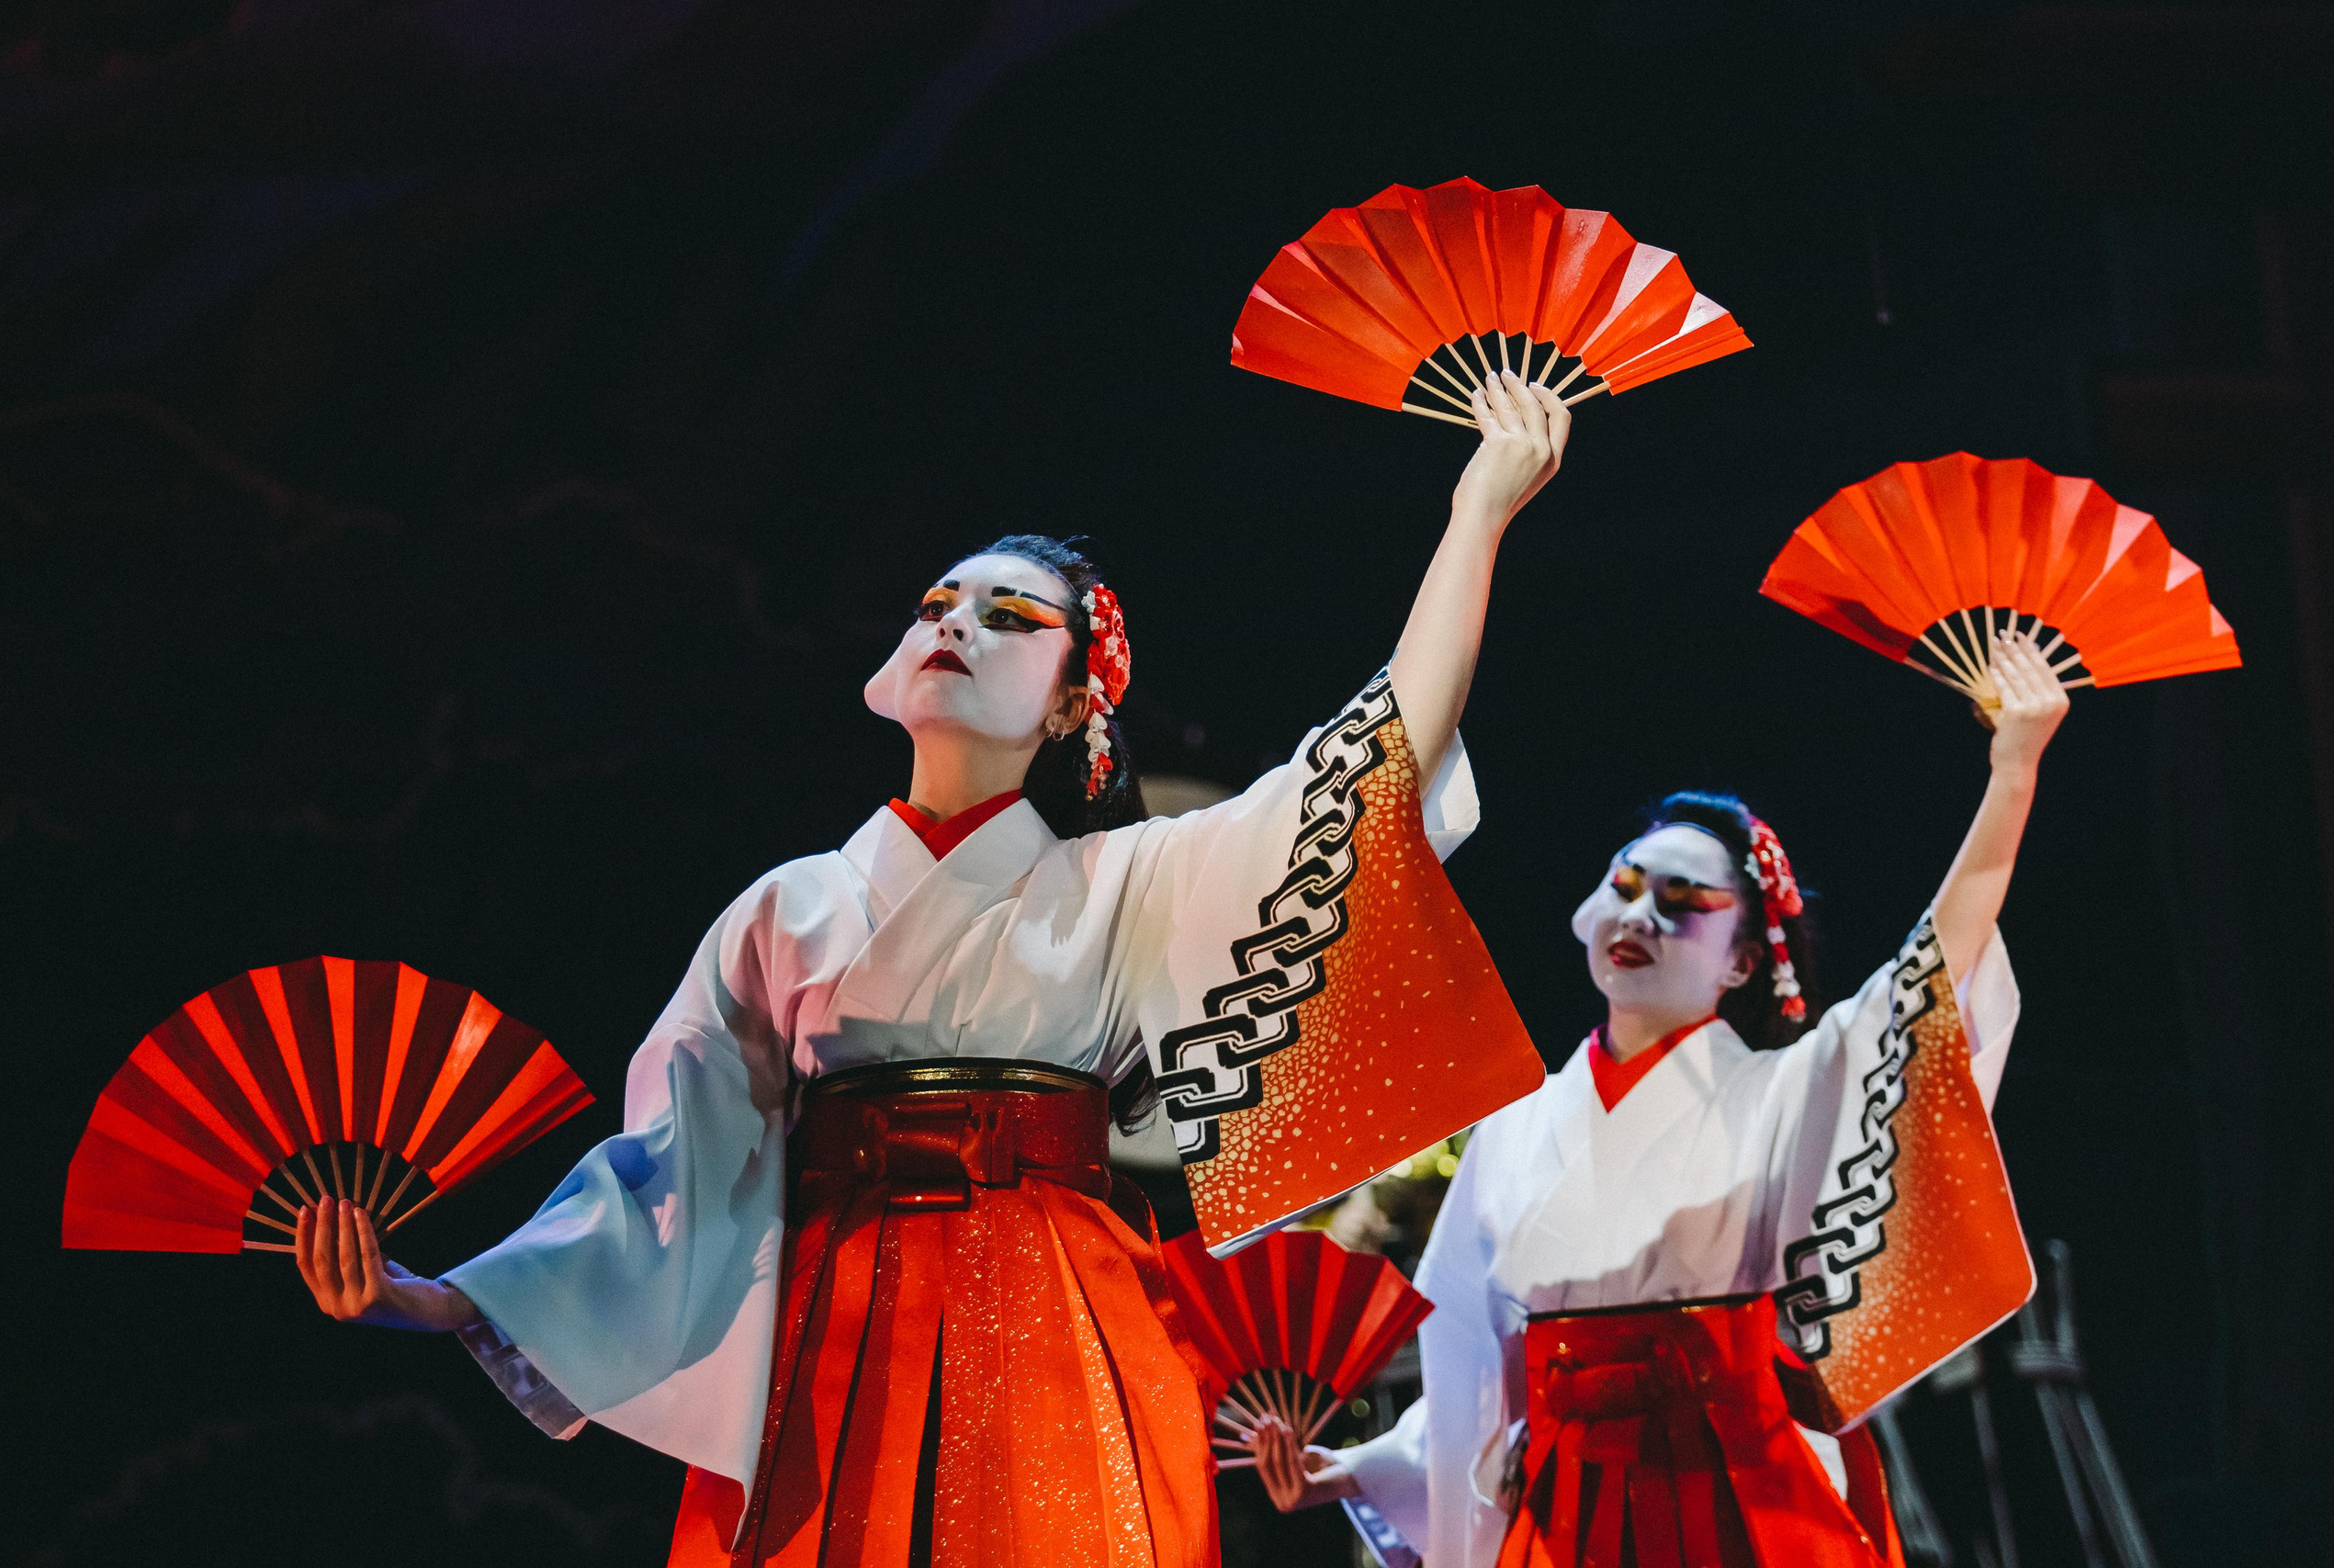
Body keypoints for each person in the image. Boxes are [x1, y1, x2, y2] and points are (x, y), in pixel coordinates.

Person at [288, 370, 1573, 1568]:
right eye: (937, 605)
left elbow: (1370, 767)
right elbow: (669, 1167)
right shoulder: (786, 907)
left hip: (1058, 1315)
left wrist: (1478, 511)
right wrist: (450, 1296)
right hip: (829, 1331)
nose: (957, 621)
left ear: (1073, 703)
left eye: (1010, 616)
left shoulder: (1128, 879)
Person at [1251, 631, 2071, 1568]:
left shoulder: (1777, 1094)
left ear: (1744, 961)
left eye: (1683, 900)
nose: (1641, 913)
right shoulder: (1520, 1124)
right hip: (1563, 1506)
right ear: (1589, 915)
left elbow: (1924, 983)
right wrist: (1354, 1469)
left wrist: (2012, 776)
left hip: (1731, 1489)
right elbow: (1470, 1359)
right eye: (1628, 885)